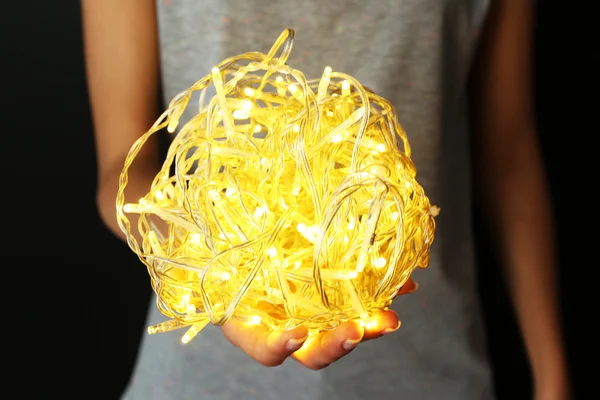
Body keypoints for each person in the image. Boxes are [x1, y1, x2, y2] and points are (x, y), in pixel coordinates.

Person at [81, 0, 570, 399]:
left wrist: (552, 375)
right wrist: (217, 269)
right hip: (202, 381)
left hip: (431, 370)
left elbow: (508, 162)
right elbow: (123, 169)